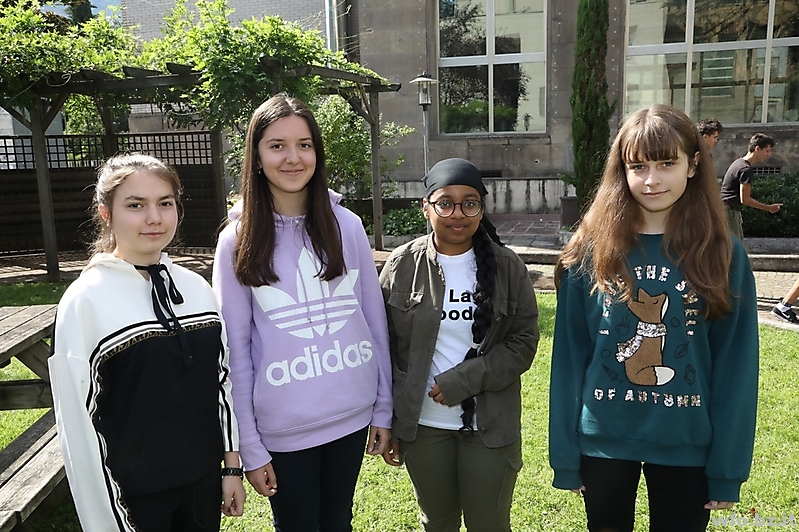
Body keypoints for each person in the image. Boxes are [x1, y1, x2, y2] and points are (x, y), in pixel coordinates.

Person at [549, 104, 759, 532]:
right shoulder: (589, 250)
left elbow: (736, 367)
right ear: (621, 170)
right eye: (638, 166)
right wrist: (565, 456)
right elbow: (569, 358)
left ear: (693, 164)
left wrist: (727, 468)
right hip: (604, 443)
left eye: (666, 164)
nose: (651, 180)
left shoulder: (723, 253)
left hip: (687, 443)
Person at [212, 94, 392, 532]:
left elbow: (374, 322)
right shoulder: (236, 240)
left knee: (338, 522)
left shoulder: (346, 225)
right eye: (277, 145)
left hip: (351, 416)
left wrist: (384, 406)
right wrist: (249, 444)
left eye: (304, 145)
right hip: (283, 431)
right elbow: (234, 351)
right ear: (256, 157)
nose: (293, 157)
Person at [49, 153, 246, 531]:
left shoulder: (196, 289)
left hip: (202, 487)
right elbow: (79, 427)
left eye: (165, 203)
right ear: (106, 213)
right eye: (136, 205)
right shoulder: (85, 301)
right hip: (133, 500)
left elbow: (221, 384)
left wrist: (230, 466)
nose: (154, 217)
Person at [379, 157, 540, 532]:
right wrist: (390, 420)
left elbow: (523, 342)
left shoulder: (507, 267)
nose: (457, 214)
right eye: (445, 203)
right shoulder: (402, 265)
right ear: (426, 207)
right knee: (438, 523)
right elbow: (383, 347)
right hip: (424, 426)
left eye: (469, 203)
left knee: (489, 524)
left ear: (481, 209)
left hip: (489, 425)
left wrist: (463, 381)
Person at [720, 132, 781, 241]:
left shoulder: (738, 162)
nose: (768, 154)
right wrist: (769, 208)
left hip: (724, 209)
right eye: (767, 151)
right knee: (735, 246)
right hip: (729, 211)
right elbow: (745, 199)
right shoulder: (745, 169)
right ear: (757, 149)